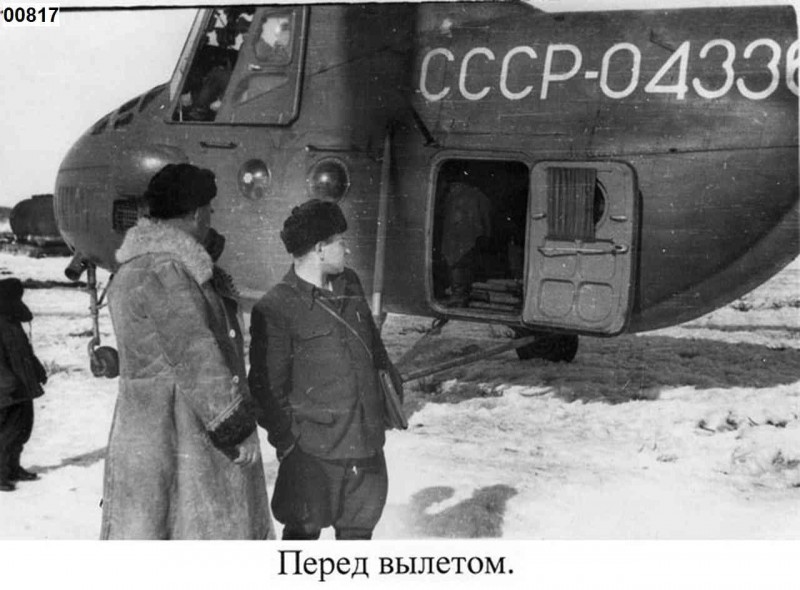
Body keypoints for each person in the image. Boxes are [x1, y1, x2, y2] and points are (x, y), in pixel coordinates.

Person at [101, 163, 272, 539]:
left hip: (143, 431)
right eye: (209, 210)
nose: (210, 218)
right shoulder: (168, 271)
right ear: (196, 213)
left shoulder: (133, 268)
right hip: (183, 432)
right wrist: (233, 427)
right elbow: (196, 355)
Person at [249, 199, 403, 540]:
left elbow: (375, 351)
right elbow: (266, 392)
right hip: (314, 457)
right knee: (301, 540)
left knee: (358, 540)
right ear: (319, 249)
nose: (346, 249)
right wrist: (289, 446)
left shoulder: (351, 284)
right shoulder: (276, 307)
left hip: (366, 450)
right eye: (340, 241)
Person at [0, 278, 47, 492]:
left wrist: (37, 369)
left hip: (22, 385)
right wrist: (6, 383)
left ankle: (13, 468)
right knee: (7, 433)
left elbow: (25, 351)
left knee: (22, 430)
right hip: (7, 390)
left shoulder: (12, 319)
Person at [440, 181, 493, 305]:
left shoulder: (457, 196)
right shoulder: (477, 194)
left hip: (458, 236)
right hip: (471, 236)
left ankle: (459, 295)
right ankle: (464, 293)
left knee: (457, 263)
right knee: (463, 263)